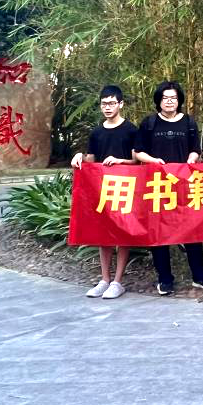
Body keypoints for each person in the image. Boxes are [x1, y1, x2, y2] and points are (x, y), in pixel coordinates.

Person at [134, 80, 203, 295]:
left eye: (173, 98)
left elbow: (195, 148)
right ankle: (165, 279)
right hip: (157, 184)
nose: (169, 101)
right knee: (158, 230)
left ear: (179, 100)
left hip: (184, 183)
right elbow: (137, 151)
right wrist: (153, 160)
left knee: (192, 228)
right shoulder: (149, 123)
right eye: (165, 98)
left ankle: (199, 276)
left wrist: (192, 158)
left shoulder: (188, 122)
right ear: (158, 100)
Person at [71, 85, 137, 300]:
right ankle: (104, 279)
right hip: (102, 188)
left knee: (122, 234)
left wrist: (119, 160)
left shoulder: (130, 130)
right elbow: (90, 161)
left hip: (125, 187)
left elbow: (136, 161)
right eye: (104, 104)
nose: (108, 107)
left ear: (121, 104)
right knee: (103, 234)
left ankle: (118, 282)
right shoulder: (97, 132)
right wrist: (79, 157)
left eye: (112, 103)